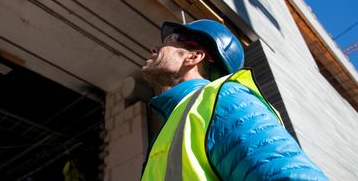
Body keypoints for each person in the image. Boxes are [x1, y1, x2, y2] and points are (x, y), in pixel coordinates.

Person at [140, 19, 328, 180]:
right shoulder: (171, 126)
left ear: (194, 56)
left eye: (169, 41)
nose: (154, 48)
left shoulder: (223, 99)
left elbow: (287, 174)